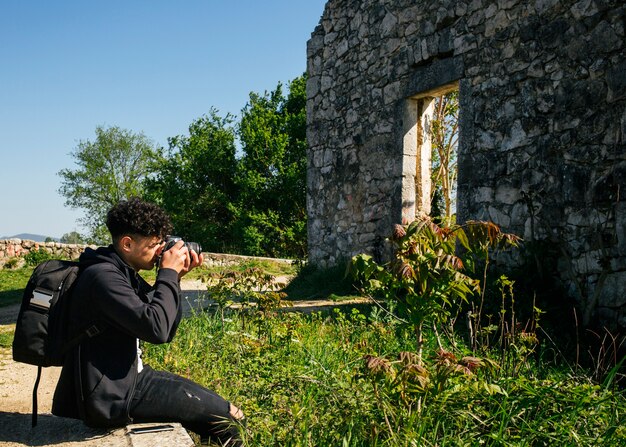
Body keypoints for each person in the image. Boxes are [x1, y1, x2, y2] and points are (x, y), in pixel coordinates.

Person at [52, 198, 244, 446]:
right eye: (155, 244)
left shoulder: (118, 271)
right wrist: (168, 273)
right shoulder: (103, 278)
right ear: (128, 244)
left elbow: (165, 325)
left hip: (130, 380)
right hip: (114, 395)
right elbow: (158, 329)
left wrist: (174, 279)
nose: (161, 250)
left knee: (227, 416)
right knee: (229, 418)